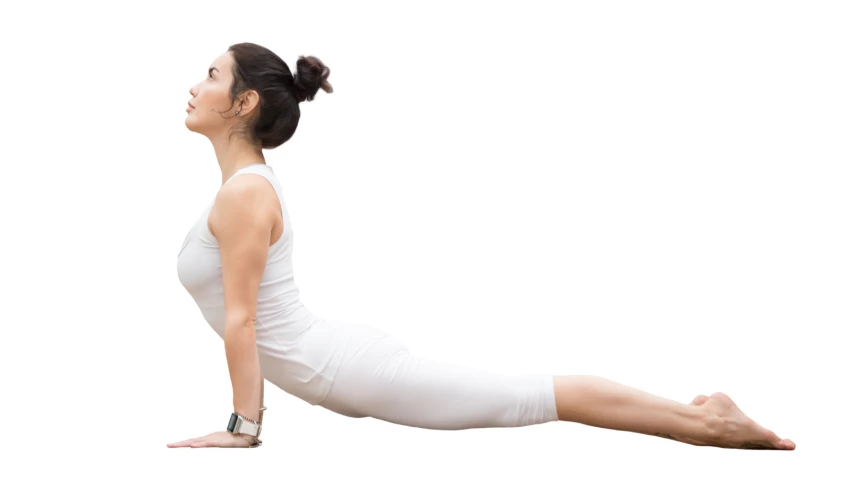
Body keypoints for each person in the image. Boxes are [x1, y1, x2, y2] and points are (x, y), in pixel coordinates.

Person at [167, 42, 795, 450]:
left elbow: (243, 320)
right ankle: (703, 418)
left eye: (213, 75)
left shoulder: (245, 195)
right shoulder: (239, 191)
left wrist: (243, 429)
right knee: (521, 397)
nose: (196, 85)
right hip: (336, 360)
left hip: (344, 368)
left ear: (244, 102)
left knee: (530, 398)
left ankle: (712, 424)